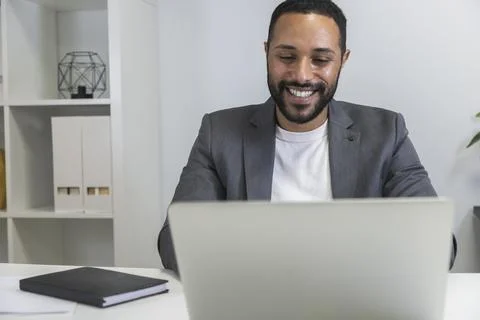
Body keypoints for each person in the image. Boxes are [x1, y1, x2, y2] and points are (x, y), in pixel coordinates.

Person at [158, 0, 456, 275]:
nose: (301, 75)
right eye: (287, 56)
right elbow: (175, 242)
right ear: (267, 52)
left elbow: (438, 246)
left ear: (343, 59)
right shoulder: (218, 132)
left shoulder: (387, 133)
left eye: (320, 59)